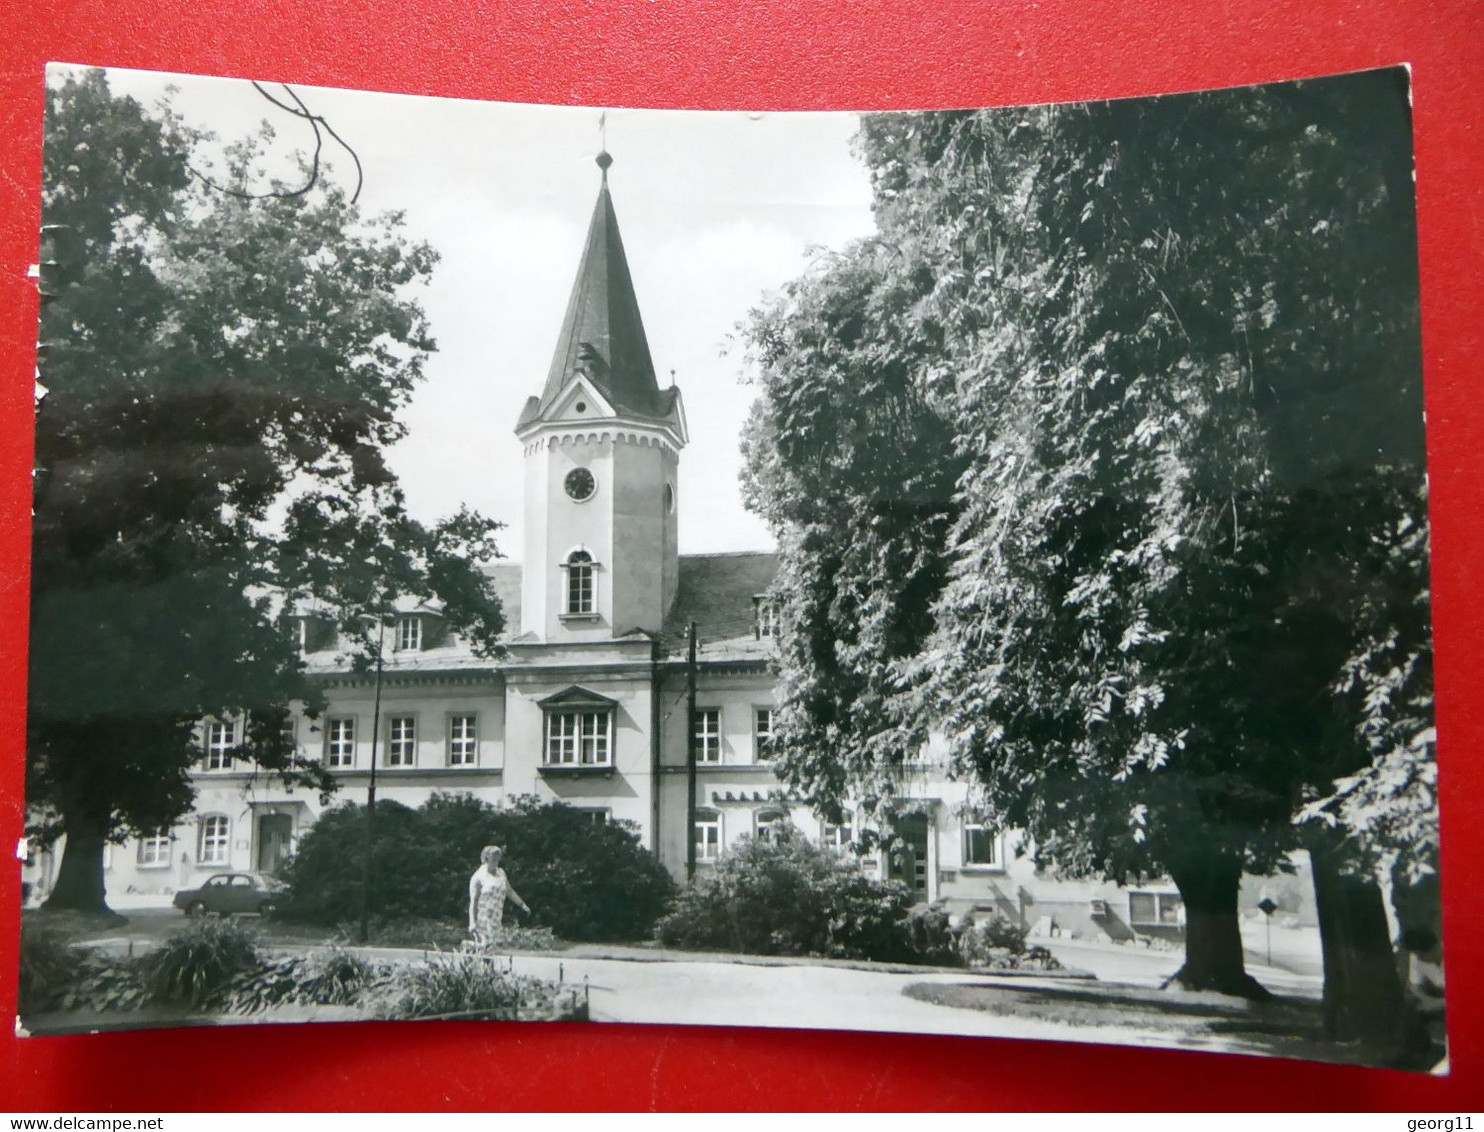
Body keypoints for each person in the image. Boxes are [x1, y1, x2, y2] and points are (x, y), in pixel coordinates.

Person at [467, 845, 530, 947]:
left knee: (492, 947)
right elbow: (473, 901)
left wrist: (522, 905)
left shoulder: (501, 873)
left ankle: (472, 952)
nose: (496, 862)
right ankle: (467, 947)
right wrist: (472, 922)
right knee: (484, 946)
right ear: (486, 858)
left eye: (498, 859)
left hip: (496, 917)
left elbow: (509, 891)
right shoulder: (478, 877)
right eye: (493, 859)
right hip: (483, 918)